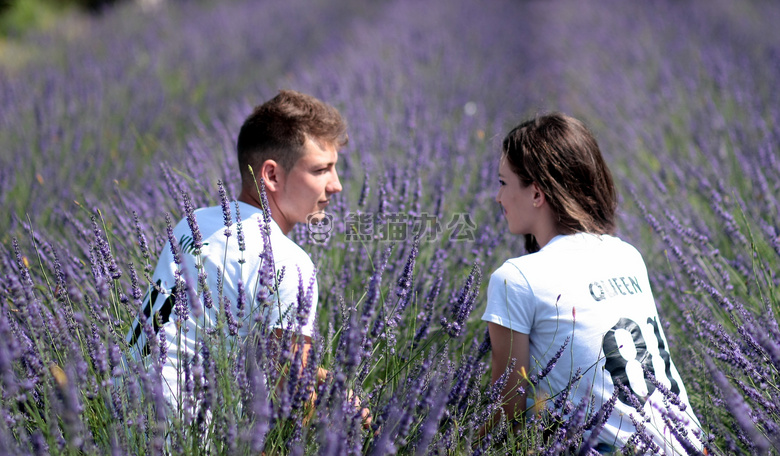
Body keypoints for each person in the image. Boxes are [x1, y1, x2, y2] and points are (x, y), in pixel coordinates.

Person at [127, 89, 365, 422]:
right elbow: (292, 401)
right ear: (271, 175)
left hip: (120, 408)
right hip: (185, 430)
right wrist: (348, 412)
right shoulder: (289, 263)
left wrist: (323, 377)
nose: (336, 185)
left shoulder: (194, 222)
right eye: (320, 170)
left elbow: (202, 336)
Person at [481, 113, 702, 453]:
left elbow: (508, 410)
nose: (498, 198)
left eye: (503, 183)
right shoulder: (627, 255)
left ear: (537, 194)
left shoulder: (515, 279)